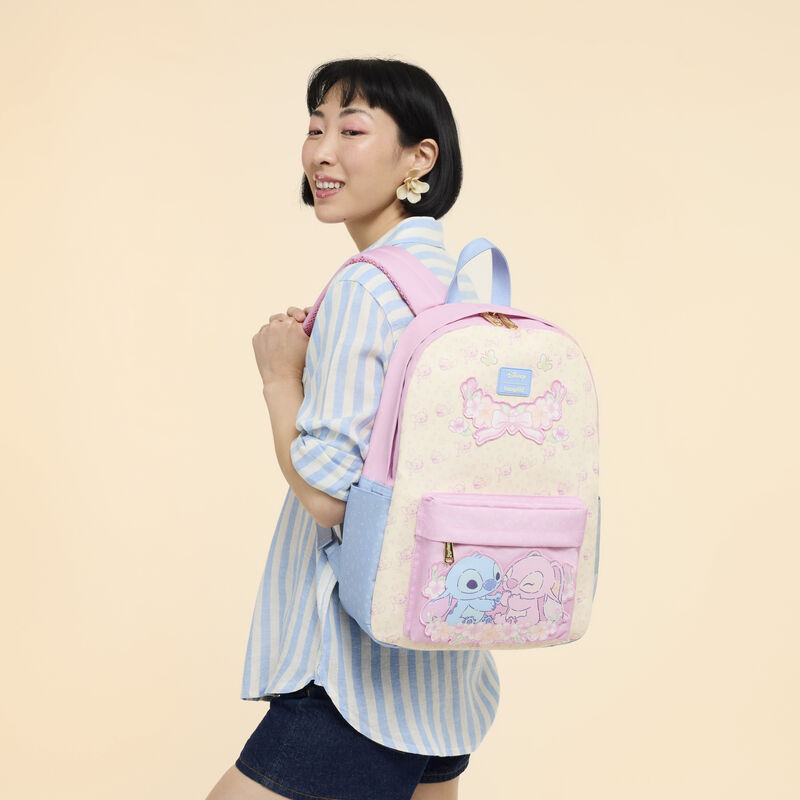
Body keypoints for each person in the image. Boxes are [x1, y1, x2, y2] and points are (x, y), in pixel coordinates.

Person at [205, 57, 499, 800]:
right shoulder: (459, 285)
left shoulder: (367, 289)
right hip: (442, 662)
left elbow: (330, 499)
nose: (322, 152)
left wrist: (281, 377)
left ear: (419, 158)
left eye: (352, 129)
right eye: (315, 129)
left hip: (354, 673)